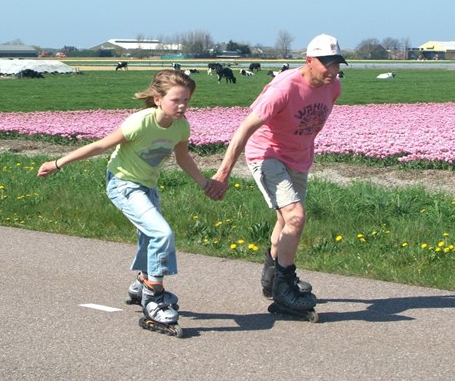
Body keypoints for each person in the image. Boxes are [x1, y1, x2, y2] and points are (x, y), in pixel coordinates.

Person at [37, 69, 225, 335]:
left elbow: (183, 159)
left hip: (147, 186)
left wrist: (205, 184)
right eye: (176, 100)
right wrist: (58, 163)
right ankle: (153, 297)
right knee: (162, 233)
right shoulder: (140, 122)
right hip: (123, 184)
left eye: (187, 100)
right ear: (158, 99)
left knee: (151, 237)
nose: (182, 106)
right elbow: (100, 146)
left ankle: (141, 283)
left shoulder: (181, 126)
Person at [211, 34, 347, 316]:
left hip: (298, 159)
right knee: (296, 217)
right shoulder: (283, 88)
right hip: (267, 154)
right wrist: (223, 173)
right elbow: (245, 128)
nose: (332, 71)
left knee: (285, 220)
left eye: (336, 64)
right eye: (326, 64)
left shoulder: (333, 87)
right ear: (309, 61)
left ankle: (272, 279)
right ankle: (284, 291)